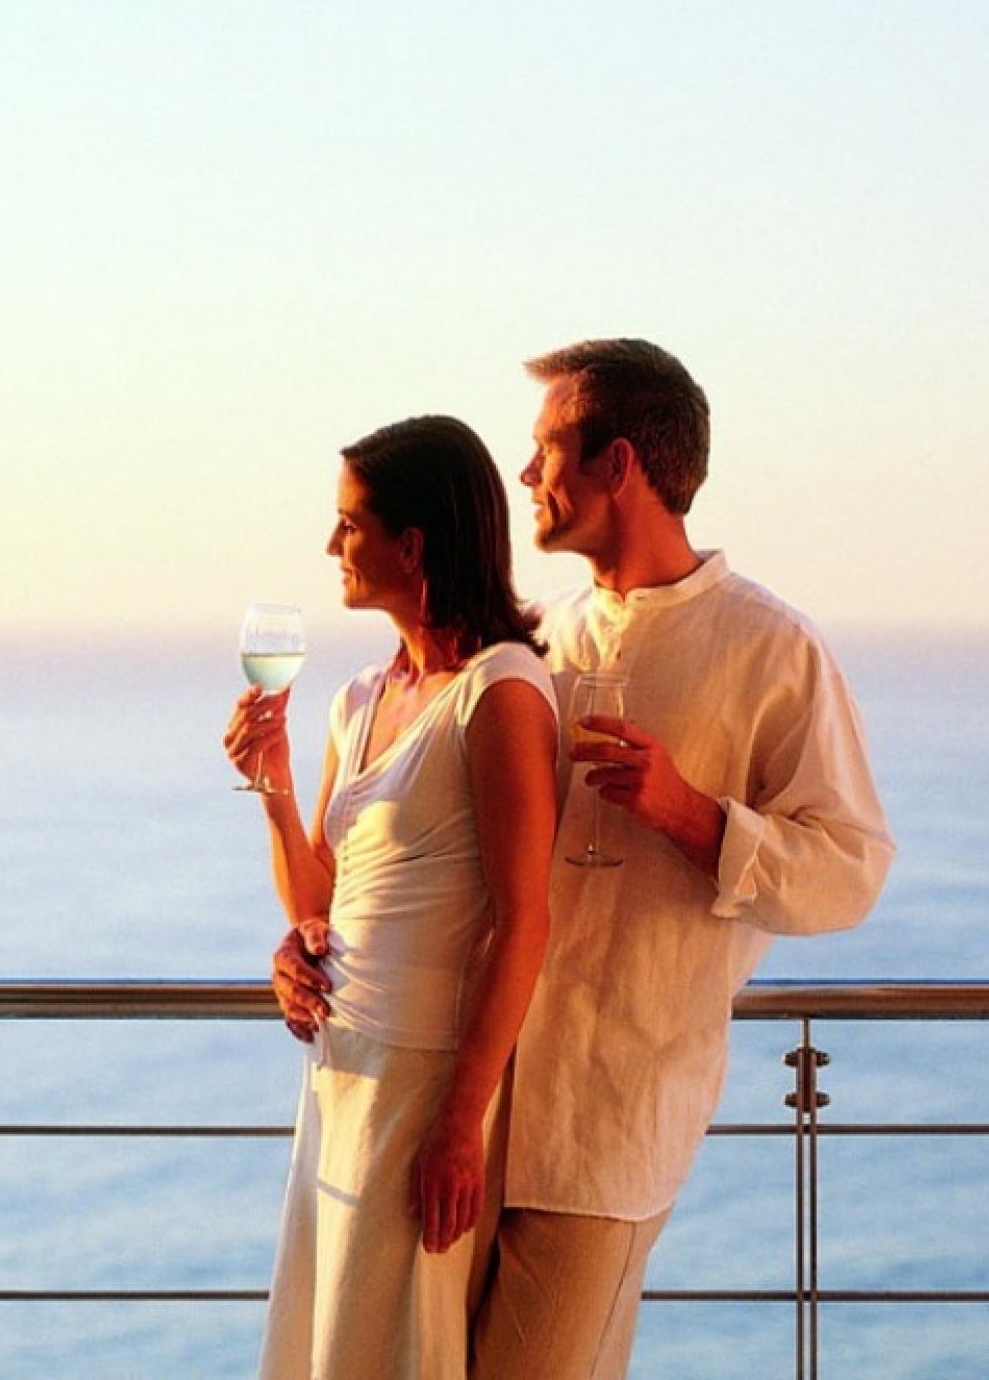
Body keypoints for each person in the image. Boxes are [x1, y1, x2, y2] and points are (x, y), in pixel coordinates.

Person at [275, 341, 895, 1378]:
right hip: (466, 1101)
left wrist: (691, 815)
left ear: (617, 464)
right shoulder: (535, 644)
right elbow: (421, 861)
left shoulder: (769, 648)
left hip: (603, 1121)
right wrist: (311, 944)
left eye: (547, 449)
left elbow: (851, 870)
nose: (526, 474)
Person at [226, 415, 560, 1380]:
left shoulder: (498, 693)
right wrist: (274, 785)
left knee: (396, 1339)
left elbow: (524, 919)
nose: (331, 544)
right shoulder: (359, 698)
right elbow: (321, 896)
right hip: (340, 1066)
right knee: (331, 1330)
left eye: (349, 523)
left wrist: (462, 1119)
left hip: (422, 1078)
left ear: (412, 545)